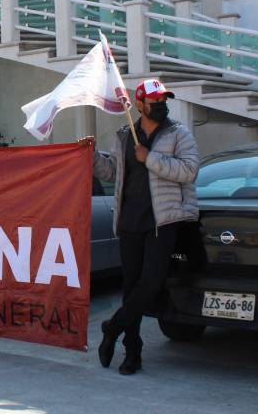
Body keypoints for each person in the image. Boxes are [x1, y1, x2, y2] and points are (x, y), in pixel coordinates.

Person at [84, 79, 199, 375]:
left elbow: (189, 170)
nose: (161, 105)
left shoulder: (178, 133)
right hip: (130, 222)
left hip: (164, 221)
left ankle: (112, 327)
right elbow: (112, 172)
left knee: (151, 284)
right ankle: (131, 352)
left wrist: (151, 159)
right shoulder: (125, 135)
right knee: (131, 288)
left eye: (164, 100)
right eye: (155, 101)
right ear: (140, 104)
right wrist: (94, 157)